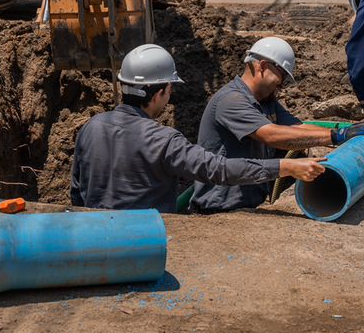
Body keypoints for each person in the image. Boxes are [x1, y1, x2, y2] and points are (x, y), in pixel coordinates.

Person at [71, 43, 327, 213]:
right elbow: (220, 170)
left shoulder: (91, 127)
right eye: (170, 89)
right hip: (145, 241)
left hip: (96, 234)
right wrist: (285, 167)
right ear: (160, 92)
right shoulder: (164, 140)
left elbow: (77, 191)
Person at [191, 38, 364, 214]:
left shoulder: (265, 100)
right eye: (280, 78)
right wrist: (336, 135)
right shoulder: (232, 101)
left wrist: (345, 133)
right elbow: (272, 136)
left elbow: (297, 127)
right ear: (263, 67)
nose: (280, 86)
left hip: (246, 204)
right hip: (218, 207)